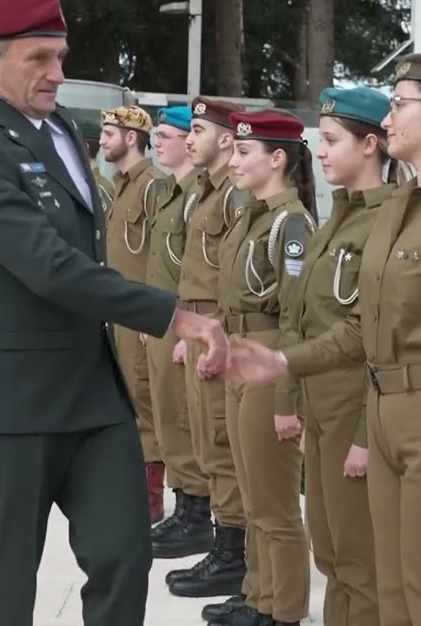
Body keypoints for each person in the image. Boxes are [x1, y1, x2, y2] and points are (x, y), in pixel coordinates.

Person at [0, 0, 227, 626]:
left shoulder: (63, 128)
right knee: (9, 581)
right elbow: (47, 264)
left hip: (92, 394)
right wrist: (172, 314)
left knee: (124, 555)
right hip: (13, 403)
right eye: (38, 58)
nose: (56, 73)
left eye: (60, 56)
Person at [228, 52, 421, 626]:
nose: (387, 120)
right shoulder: (400, 210)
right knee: (391, 597)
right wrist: (285, 361)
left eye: (398, 104)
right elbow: (363, 328)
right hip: (387, 409)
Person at [274, 86, 396, 626]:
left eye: (331, 140)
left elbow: (376, 335)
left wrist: (367, 435)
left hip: (354, 408)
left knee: (358, 560)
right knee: (329, 551)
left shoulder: (386, 221)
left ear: (370, 145)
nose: (319, 152)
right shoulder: (336, 219)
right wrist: (296, 400)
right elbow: (302, 315)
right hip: (322, 408)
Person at [210, 108, 319, 626]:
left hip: (270, 352)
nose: (233, 161)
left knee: (275, 502)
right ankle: (258, 596)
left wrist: (286, 398)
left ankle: (285, 610)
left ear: (277, 159)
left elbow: (297, 317)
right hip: (242, 351)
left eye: (243, 152)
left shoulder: (290, 223)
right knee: (253, 493)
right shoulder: (251, 215)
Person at [165, 95, 253, 600]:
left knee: (222, 445)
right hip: (199, 327)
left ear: (225, 138)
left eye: (198, 130)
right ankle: (224, 544)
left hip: (218, 331)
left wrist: (214, 331)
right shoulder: (205, 191)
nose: (189, 139)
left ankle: (234, 554)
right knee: (205, 441)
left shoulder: (234, 196)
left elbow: (234, 273)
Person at [145, 105, 216, 560]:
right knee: (167, 415)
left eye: (167, 135)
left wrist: (187, 334)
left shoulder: (197, 194)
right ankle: (184, 504)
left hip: (182, 323)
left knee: (186, 420)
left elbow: (199, 271)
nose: (161, 143)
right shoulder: (174, 192)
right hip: (162, 321)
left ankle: (197, 514)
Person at [99, 105, 168, 523]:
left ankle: (151, 498)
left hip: (140, 314)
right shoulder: (120, 186)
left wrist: (153, 311)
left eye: (109, 133)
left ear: (131, 137)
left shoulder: (153, 187)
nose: (102, 140)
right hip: (118, 312)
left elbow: (163, 254)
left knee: (145, 401)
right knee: (126, 397)